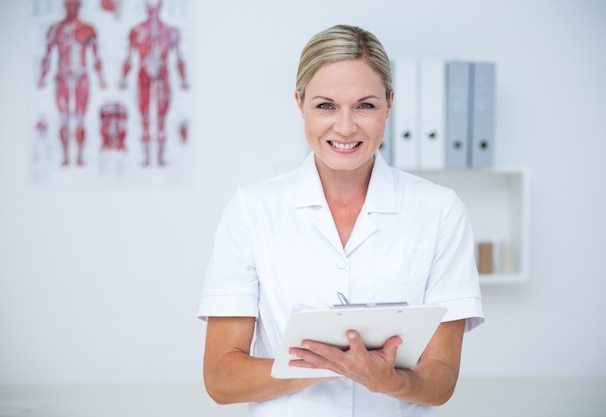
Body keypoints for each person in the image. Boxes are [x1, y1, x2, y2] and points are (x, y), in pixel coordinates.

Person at [198, 24, 484, 417]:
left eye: (365, 105)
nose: (345, 127)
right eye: (325, 105)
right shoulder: (253, 209)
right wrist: (329, 364)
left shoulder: (438, 210)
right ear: (300, 104)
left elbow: (442, 380)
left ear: (389, 103)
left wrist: (388, 380)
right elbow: (220, 377)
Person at [119, 0, 189, 166]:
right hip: (144, 77)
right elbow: (129, 58)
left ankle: (160, 158)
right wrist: (122, 79)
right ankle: (146, 157)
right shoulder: (136, 31)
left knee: (160, 119)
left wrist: (184, 80)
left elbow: (179, 59)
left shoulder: (170, 32)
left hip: (162, 77)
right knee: (144, 118)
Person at [37, 0, 107, 166]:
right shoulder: (55, 30)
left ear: (79, 6)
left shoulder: (88, 29)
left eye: (74, 4)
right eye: (69, 4)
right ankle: (65, 157)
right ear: (64, 6)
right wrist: (42, 78)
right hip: (62, 77)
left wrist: (101, 79)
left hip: (81, 77)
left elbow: (96, 56)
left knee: (80, 118)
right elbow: (47, 56)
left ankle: (80, 156)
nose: (71, 8)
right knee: (64, 118)